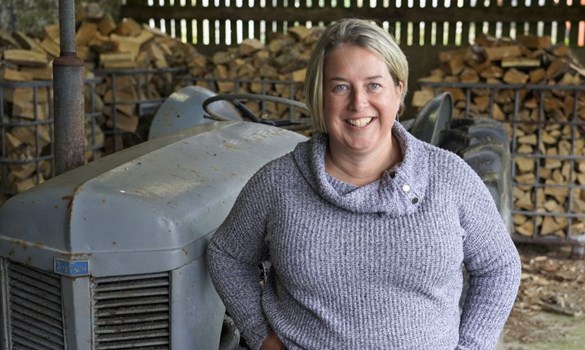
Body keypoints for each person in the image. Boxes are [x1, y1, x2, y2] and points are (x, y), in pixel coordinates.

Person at [207, 18, 521, 350]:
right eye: (340, 86)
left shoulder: (448, 177)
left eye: (374, 85)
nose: (358, 103)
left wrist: (471, 346)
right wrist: (262, 337)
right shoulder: (279, 183)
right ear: (320, 96)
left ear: (399, 91)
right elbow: (226, 254)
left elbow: (499, 266)